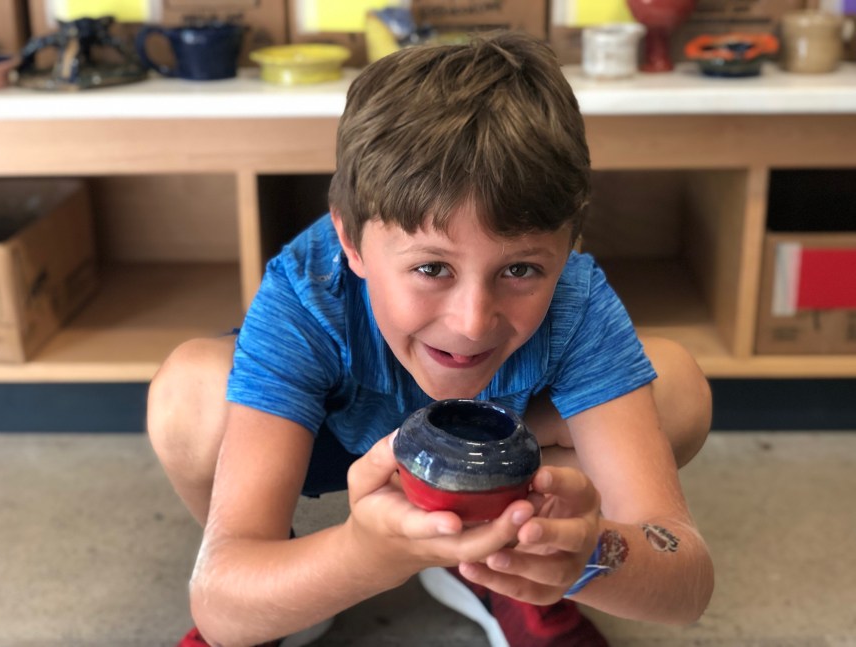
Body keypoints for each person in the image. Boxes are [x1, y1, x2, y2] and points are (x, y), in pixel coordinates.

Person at [147, 31, 714, 647]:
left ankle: (498, 567)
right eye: (432, 267)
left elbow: (685, 581)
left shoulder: (577, 301)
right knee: (190, 394)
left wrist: (588, 554)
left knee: (676, 388)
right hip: (333, 440)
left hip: (500, 450)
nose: (472, 323)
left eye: (521, 269)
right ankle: (291, 584)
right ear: (351, 243)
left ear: (569, 245)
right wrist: (360, 556)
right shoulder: (306, 294)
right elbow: (220, 604)